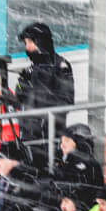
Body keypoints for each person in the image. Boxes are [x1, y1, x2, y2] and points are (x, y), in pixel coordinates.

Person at [14, 23, 76, 154]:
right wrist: (21, 85)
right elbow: (19, 99)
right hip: (27, 134)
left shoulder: (60, 65)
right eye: (26, 43)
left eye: (30, 42)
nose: (27, 47)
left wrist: (44, 120)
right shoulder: (29, 70)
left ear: (40, 42)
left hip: (50, 135)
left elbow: (66, 100)